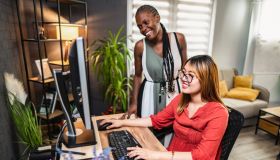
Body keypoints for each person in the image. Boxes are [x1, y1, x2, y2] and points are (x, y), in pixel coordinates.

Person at [101, 55, 229, 160]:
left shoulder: (218, 113)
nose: (183, 78)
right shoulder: (180, 99)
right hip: (170, 155)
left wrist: (153, 154)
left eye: (190, 75)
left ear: (206, 80)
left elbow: (203, 155)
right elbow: (156, 120)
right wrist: (121, 122)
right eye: (183, 72)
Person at [123, 5, 187, 119]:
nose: (143, 29)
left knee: (174, 132)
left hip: (175, 94)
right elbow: (138, 76)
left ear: (157, 18)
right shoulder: (140, 46)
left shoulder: (179, 40)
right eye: (140, 26)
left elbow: (187, 71)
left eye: (146, 23)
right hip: (148, 97)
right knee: (148, 132)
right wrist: (133, 103)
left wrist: (191, 99)